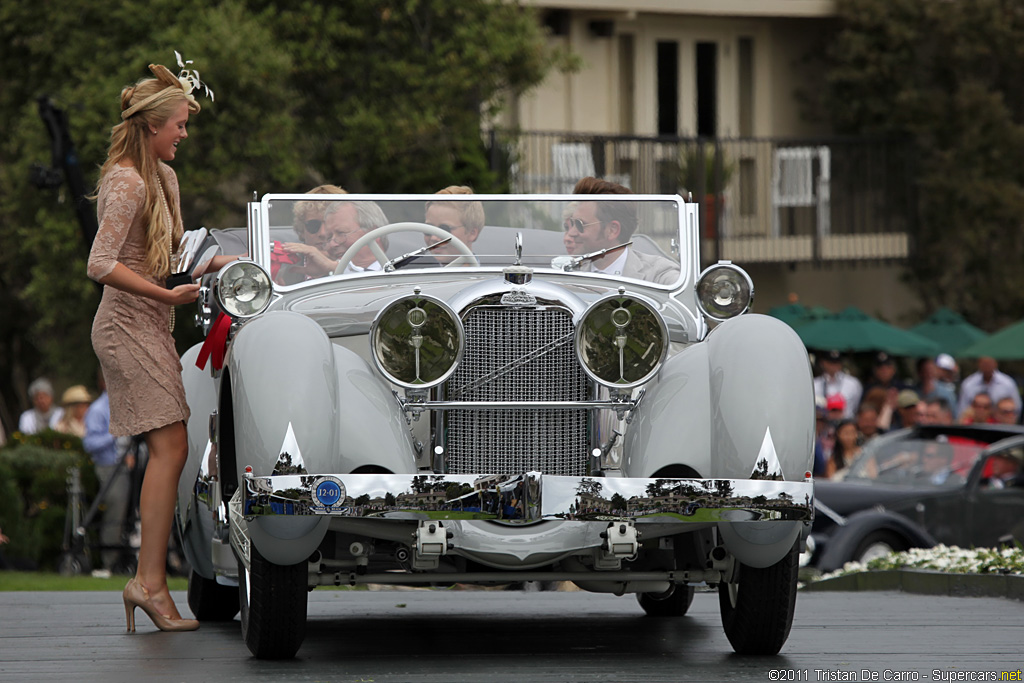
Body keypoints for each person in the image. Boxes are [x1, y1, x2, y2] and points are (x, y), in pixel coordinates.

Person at [87, 58, 226, 632]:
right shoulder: (126, 180)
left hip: (152, 321)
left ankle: (148, 582)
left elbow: (169, 256)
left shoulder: (164, 178)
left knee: (170, 447)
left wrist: (230, 261)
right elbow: (100, 263)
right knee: (170, 446)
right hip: (125, 325)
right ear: (151, 127)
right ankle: (149, 584)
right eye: (178, 125)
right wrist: (167, 299)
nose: (184, 135)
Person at [566, 177, 680, 285]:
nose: (570, 234)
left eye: (580, 225)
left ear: (612, 230)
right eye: (571, 224)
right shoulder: (567, 274)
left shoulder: (659, 275)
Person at [82, 371, 133, 573]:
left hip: (127, 467)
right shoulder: (98, 409)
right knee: (115, 512)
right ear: (104, 382)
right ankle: (109, 562)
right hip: (110, 467)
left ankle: (123, 559)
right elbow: (90, 443)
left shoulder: (124, 404)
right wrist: (114, 435)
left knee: (126, 514)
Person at [276, 184, 347, 284]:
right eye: (313, 225)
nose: (322, 233)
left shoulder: (366, 267)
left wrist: (333, 267)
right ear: (302, 230)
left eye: (330, 224)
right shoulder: (282, 276)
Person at [423, 186, 485, 265]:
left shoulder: (494, 276)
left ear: (472, 233)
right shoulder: (416, 272)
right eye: (429, 229)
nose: (434, 237)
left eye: (445, 229)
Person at [323, 200, 389, 274]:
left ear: (373, 234)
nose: (332, 244)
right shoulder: (324, 280)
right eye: (329, 237)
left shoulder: (401, 274)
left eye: (341, 233)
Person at [812, 350, 862, 420]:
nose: (833, 366)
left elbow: (856, 407)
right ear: (823, 363)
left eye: (836, 363)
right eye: (830, 362)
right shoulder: (814, 384)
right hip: (822, 424)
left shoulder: (853, 383)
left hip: (846, 423)